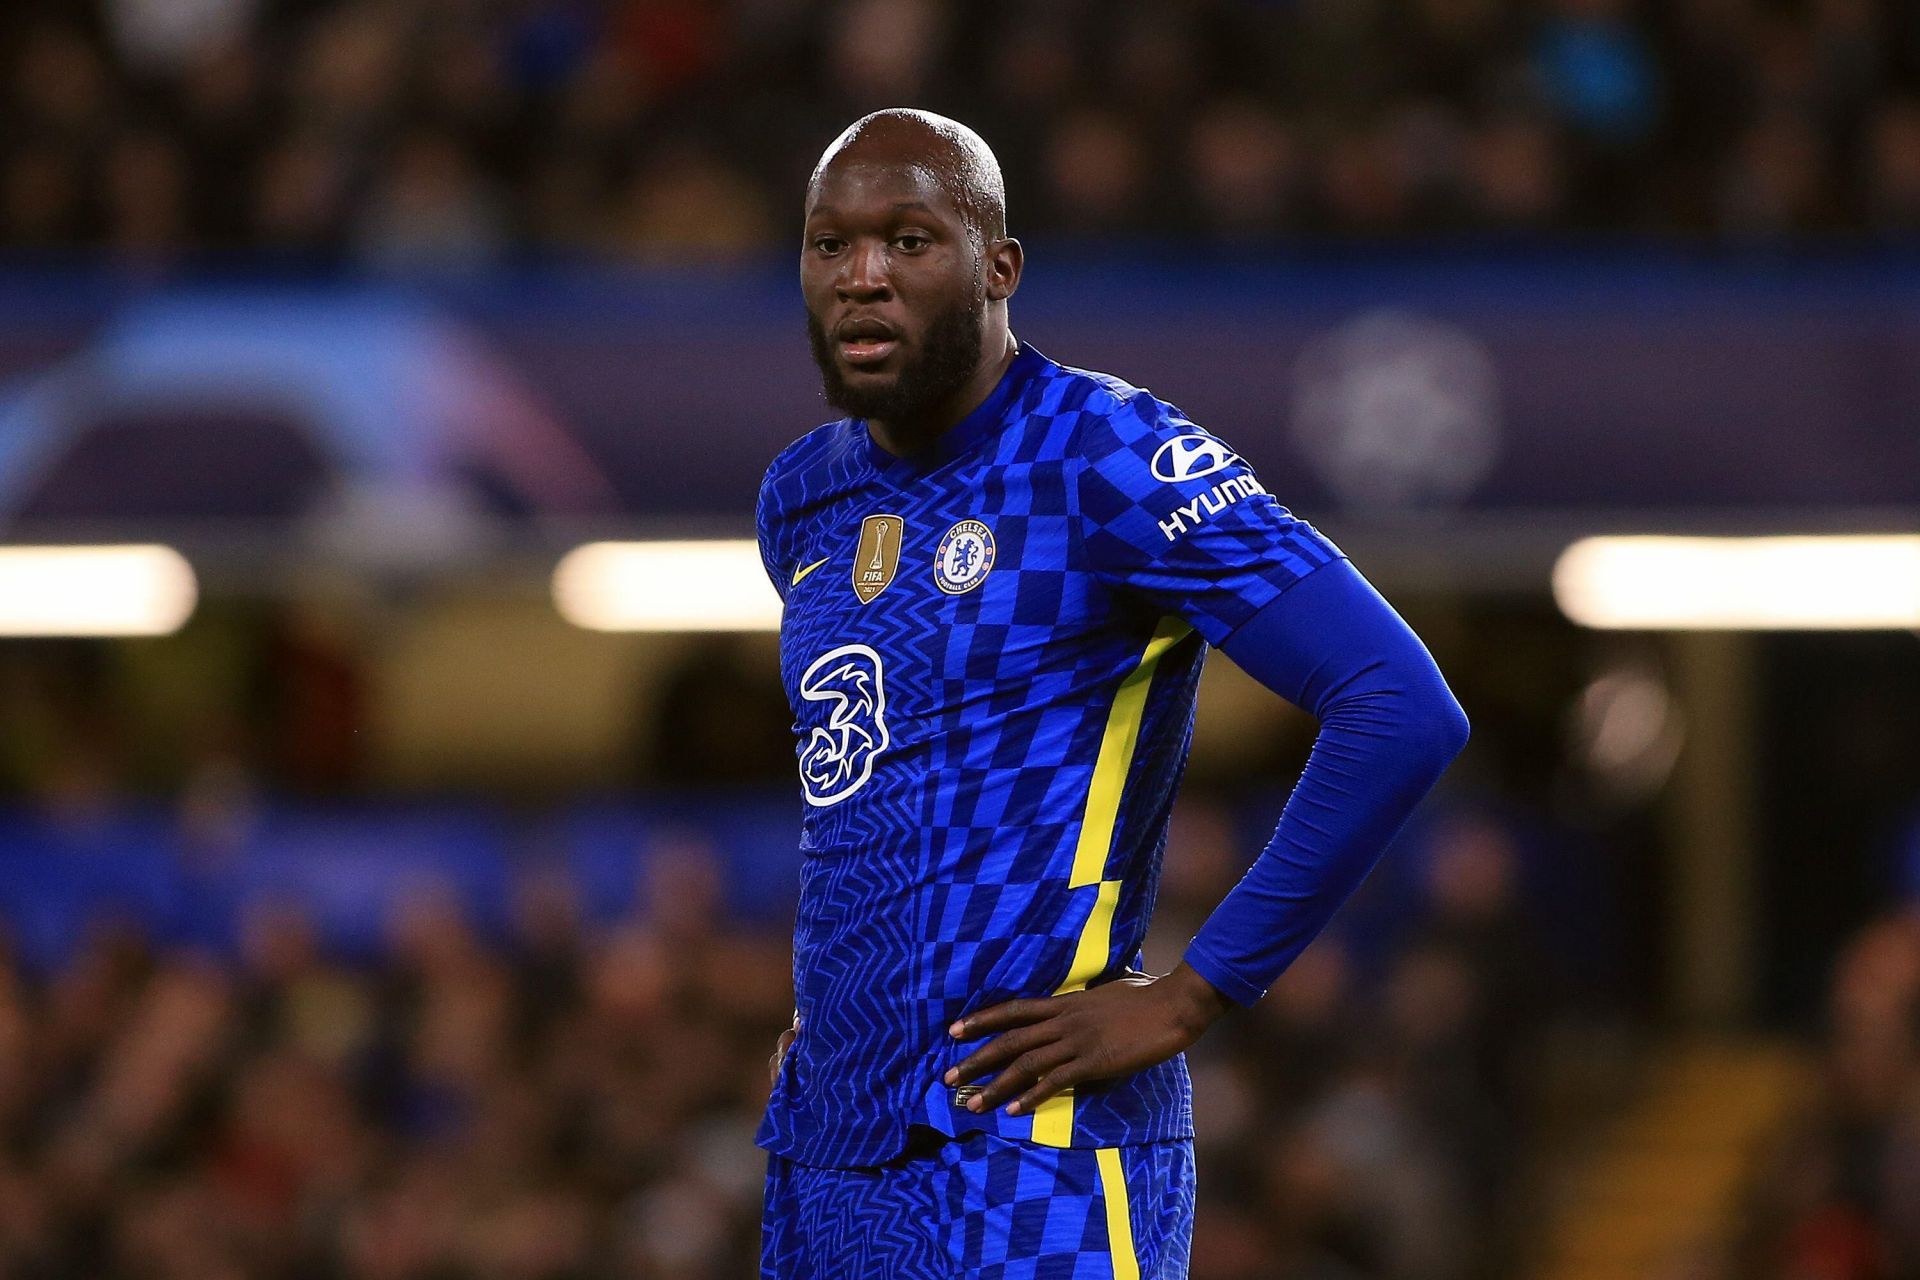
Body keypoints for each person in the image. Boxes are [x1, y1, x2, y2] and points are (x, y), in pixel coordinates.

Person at [755, 108, 1469, 1278]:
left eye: (910, 240)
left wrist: (1198, 993)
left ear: (1000, 268)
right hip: (830, 1152)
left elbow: (1396, 704)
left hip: (1034, 1149)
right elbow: (880, 776)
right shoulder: (805, 498)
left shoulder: (1106, 454)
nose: (864, 277)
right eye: (831, 245)